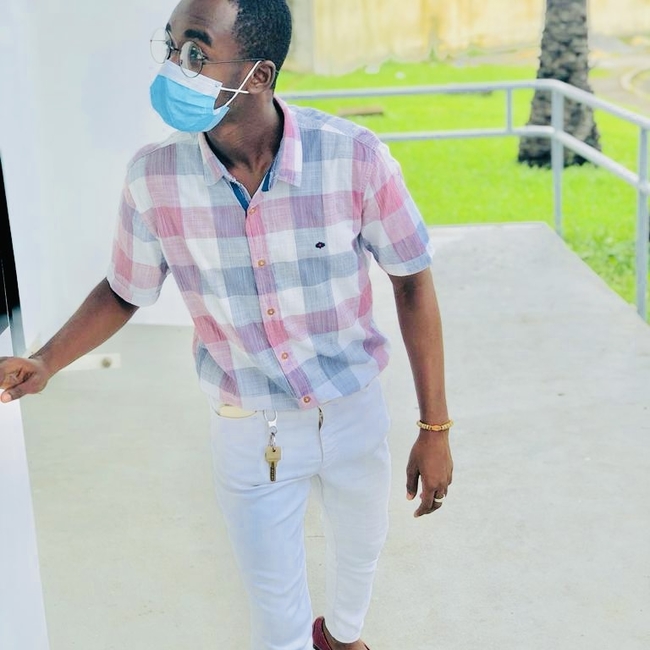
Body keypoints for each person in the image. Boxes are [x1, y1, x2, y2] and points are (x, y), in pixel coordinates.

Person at [0, 0, 453, 648]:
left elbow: (411, 281)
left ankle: (343, 637)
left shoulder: (354, 159)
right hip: (249, 429)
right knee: (275, 614)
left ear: (258, 75)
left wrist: (435, 429)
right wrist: (46, 360)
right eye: (169, 47)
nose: (172, 68)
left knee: (359, 556)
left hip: (353, 411)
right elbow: (125, 290)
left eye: (195, 53)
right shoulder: (154, 178)